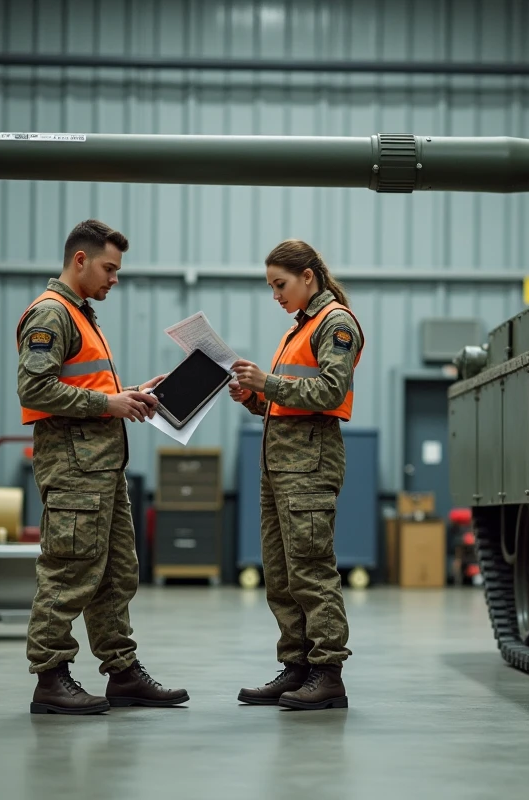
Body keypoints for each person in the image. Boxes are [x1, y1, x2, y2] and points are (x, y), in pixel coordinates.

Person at [16, 218, 189, 715]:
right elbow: (34, 389)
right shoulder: (52, 315)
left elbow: (85, 389)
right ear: (80, 260)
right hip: (74, 469)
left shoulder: (80, 315)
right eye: (109, 268)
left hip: (100, 469)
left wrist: (129, 395)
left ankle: (122, 673)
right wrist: (108, 405)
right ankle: (50, 678)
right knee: (69, 572)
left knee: (116, 573)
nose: (115, 278)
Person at [229, 239, 364, 711]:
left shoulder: (336, 324)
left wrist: (267, 382)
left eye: (280, 285)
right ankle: (297, 667)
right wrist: (254, 398)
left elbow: (329, 391)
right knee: (282, 574)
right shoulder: (299, 329)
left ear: (308, 276)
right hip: (280, 467)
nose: (276, 296)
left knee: (310, 569)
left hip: (308, 466)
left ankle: (328, 674)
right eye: (271, 287)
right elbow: (289, 400)